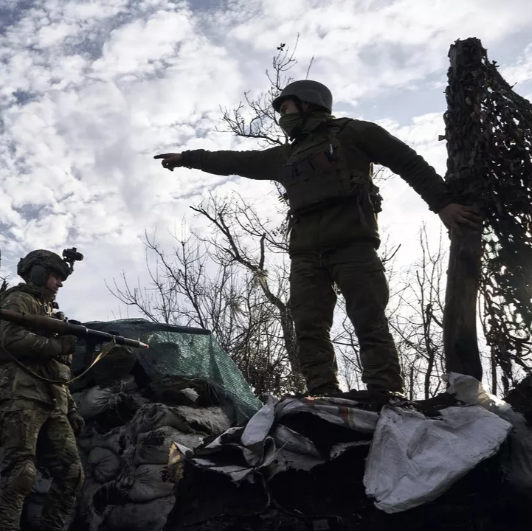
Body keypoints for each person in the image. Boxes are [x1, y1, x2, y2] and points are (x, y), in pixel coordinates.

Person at [153, 80, 482, 397]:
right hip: (306, 254)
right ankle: (323, 394)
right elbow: (233, 161)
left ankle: (385, 392)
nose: (283, 115)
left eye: (287, 107)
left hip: (353, 245)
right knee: (308, 326)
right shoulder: (284, 157)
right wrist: (188, 158)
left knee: (369, 320)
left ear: (308, 104)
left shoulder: (354, 133)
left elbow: (408, 163)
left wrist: (442, 204)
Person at [0, 249, 85, 531]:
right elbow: (12, 340)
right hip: (22, 396)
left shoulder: (53, 313)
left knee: (72, 473)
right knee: (22, 473)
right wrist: (58, 344)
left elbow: (60, 370)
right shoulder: (18, 301)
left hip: (53, 402)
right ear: (39, 273)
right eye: (56, 276)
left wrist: (71, 407)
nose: (59, 284)